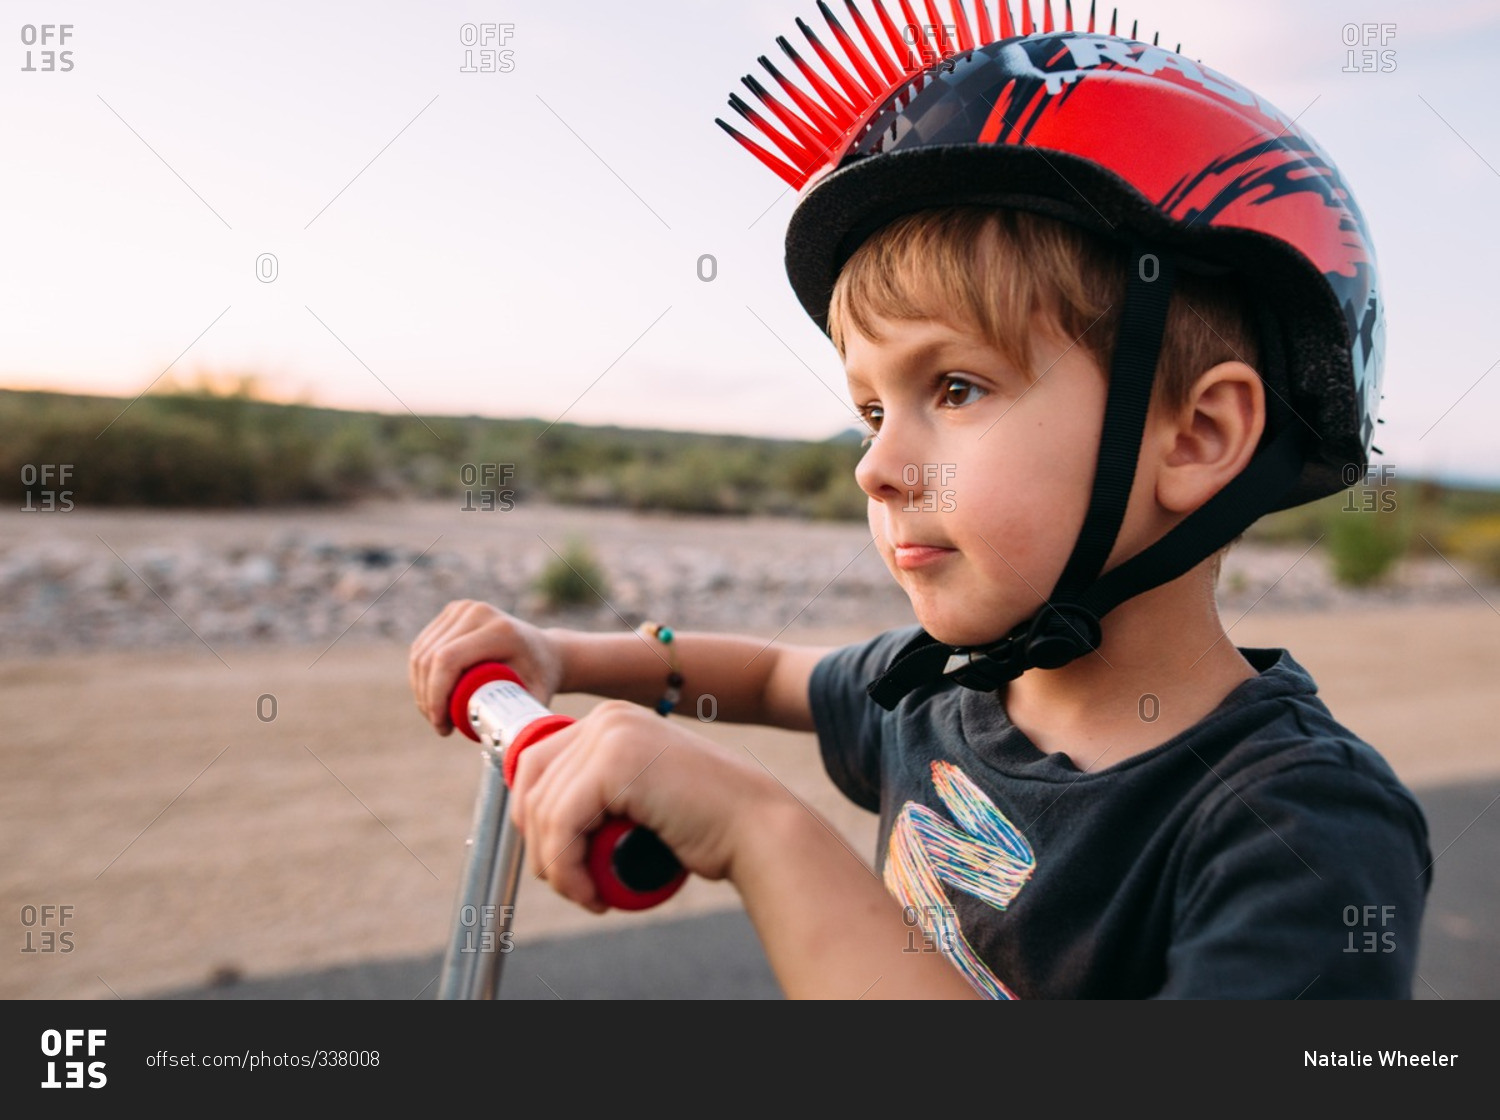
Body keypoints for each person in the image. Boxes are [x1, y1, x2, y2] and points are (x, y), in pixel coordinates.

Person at [409, 2, 1431, 998]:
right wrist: (566, 655)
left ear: (1196, 437)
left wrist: (766, 837)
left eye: (954, 388)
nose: (878, 466)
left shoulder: (1302, 835)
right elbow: (764, 676)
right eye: (868, 410)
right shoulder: (941, 693)